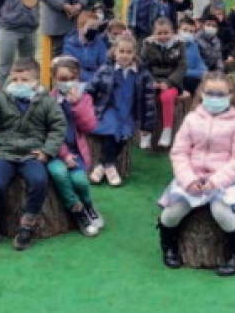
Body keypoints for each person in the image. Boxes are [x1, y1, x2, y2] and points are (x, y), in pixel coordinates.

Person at [157, 71, 235, 276]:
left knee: (221, 211)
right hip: (192, 179)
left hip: (224, 181)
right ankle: (169, 247)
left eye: (221, 94)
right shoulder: (192, 119)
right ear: (201, 93)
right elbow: (179, 152)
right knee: (170, 214)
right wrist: (188, 179)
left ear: (230, 95)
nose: (215, 98)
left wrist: (216, 180)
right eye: (210, 93)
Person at [0, 58, 65, 251]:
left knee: (39, 181)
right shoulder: (2, 98)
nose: (18, 83)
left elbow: (58, 126)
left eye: (24, 80)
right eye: (15, 79)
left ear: (36, 80)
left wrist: (47, 151)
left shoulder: (46, 100)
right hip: (5, 152)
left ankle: (27, 224)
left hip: (32, 154)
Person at [87, 34, 157, 182]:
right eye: (122, 51)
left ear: (134, 53)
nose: (125, 55)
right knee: (112, 130)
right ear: (115, 51)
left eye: (129, 52)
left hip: (128, 111)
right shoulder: (106, 69)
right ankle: (110, 166)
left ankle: (102, 164)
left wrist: (147, 124)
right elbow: (90, 89)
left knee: (125, 133)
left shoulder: (142, 73)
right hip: (109, 109)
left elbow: (148, 99)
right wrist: (87, 109)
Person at [47, 57, 104, 237]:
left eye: (71, 78)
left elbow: (90, 126)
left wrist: (76, 104)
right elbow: (49, 131)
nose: (67, 83)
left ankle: (88, 205)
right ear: (54, 79)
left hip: (76, 152)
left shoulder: (84, 98)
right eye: (62, 79)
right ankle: (79, 212)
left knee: (80, 181)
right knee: (59, 174)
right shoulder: (48, 100)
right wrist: (63, 155)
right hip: (55, 152)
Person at [140, 18, 187, 148]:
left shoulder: (179, 44)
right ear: (154, 33)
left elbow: (182, 67)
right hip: (153, 80)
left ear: (172, 32)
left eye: (166, 33)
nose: (163, 36)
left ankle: (167, 130)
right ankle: (146, 133)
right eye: (159, 33)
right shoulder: (148, 45)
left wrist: (169, 82)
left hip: (172, 82)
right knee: (147, 97)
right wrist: (151, 81)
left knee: (166, 97)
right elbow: (142, 66)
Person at [63, 11, 109, 82]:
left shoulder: (99, 42)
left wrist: (99, 78)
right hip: (77, 81)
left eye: (96, 27)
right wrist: (92, 79)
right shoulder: (69, 46)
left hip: (97, 81)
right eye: (91, 26)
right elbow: (72, 68)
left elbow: (105, 63)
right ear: (80, 28)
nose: (94, 30)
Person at [178, 17, 208, 95]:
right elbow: (178, 71)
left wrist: (205, 72)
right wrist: (198, 73)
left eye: (191, 31)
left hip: (192, 77)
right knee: (194, 83)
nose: (188, 33)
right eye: (185, 30)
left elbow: (200, 63)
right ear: (178, 30)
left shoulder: (193, 45)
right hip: (178, 81)